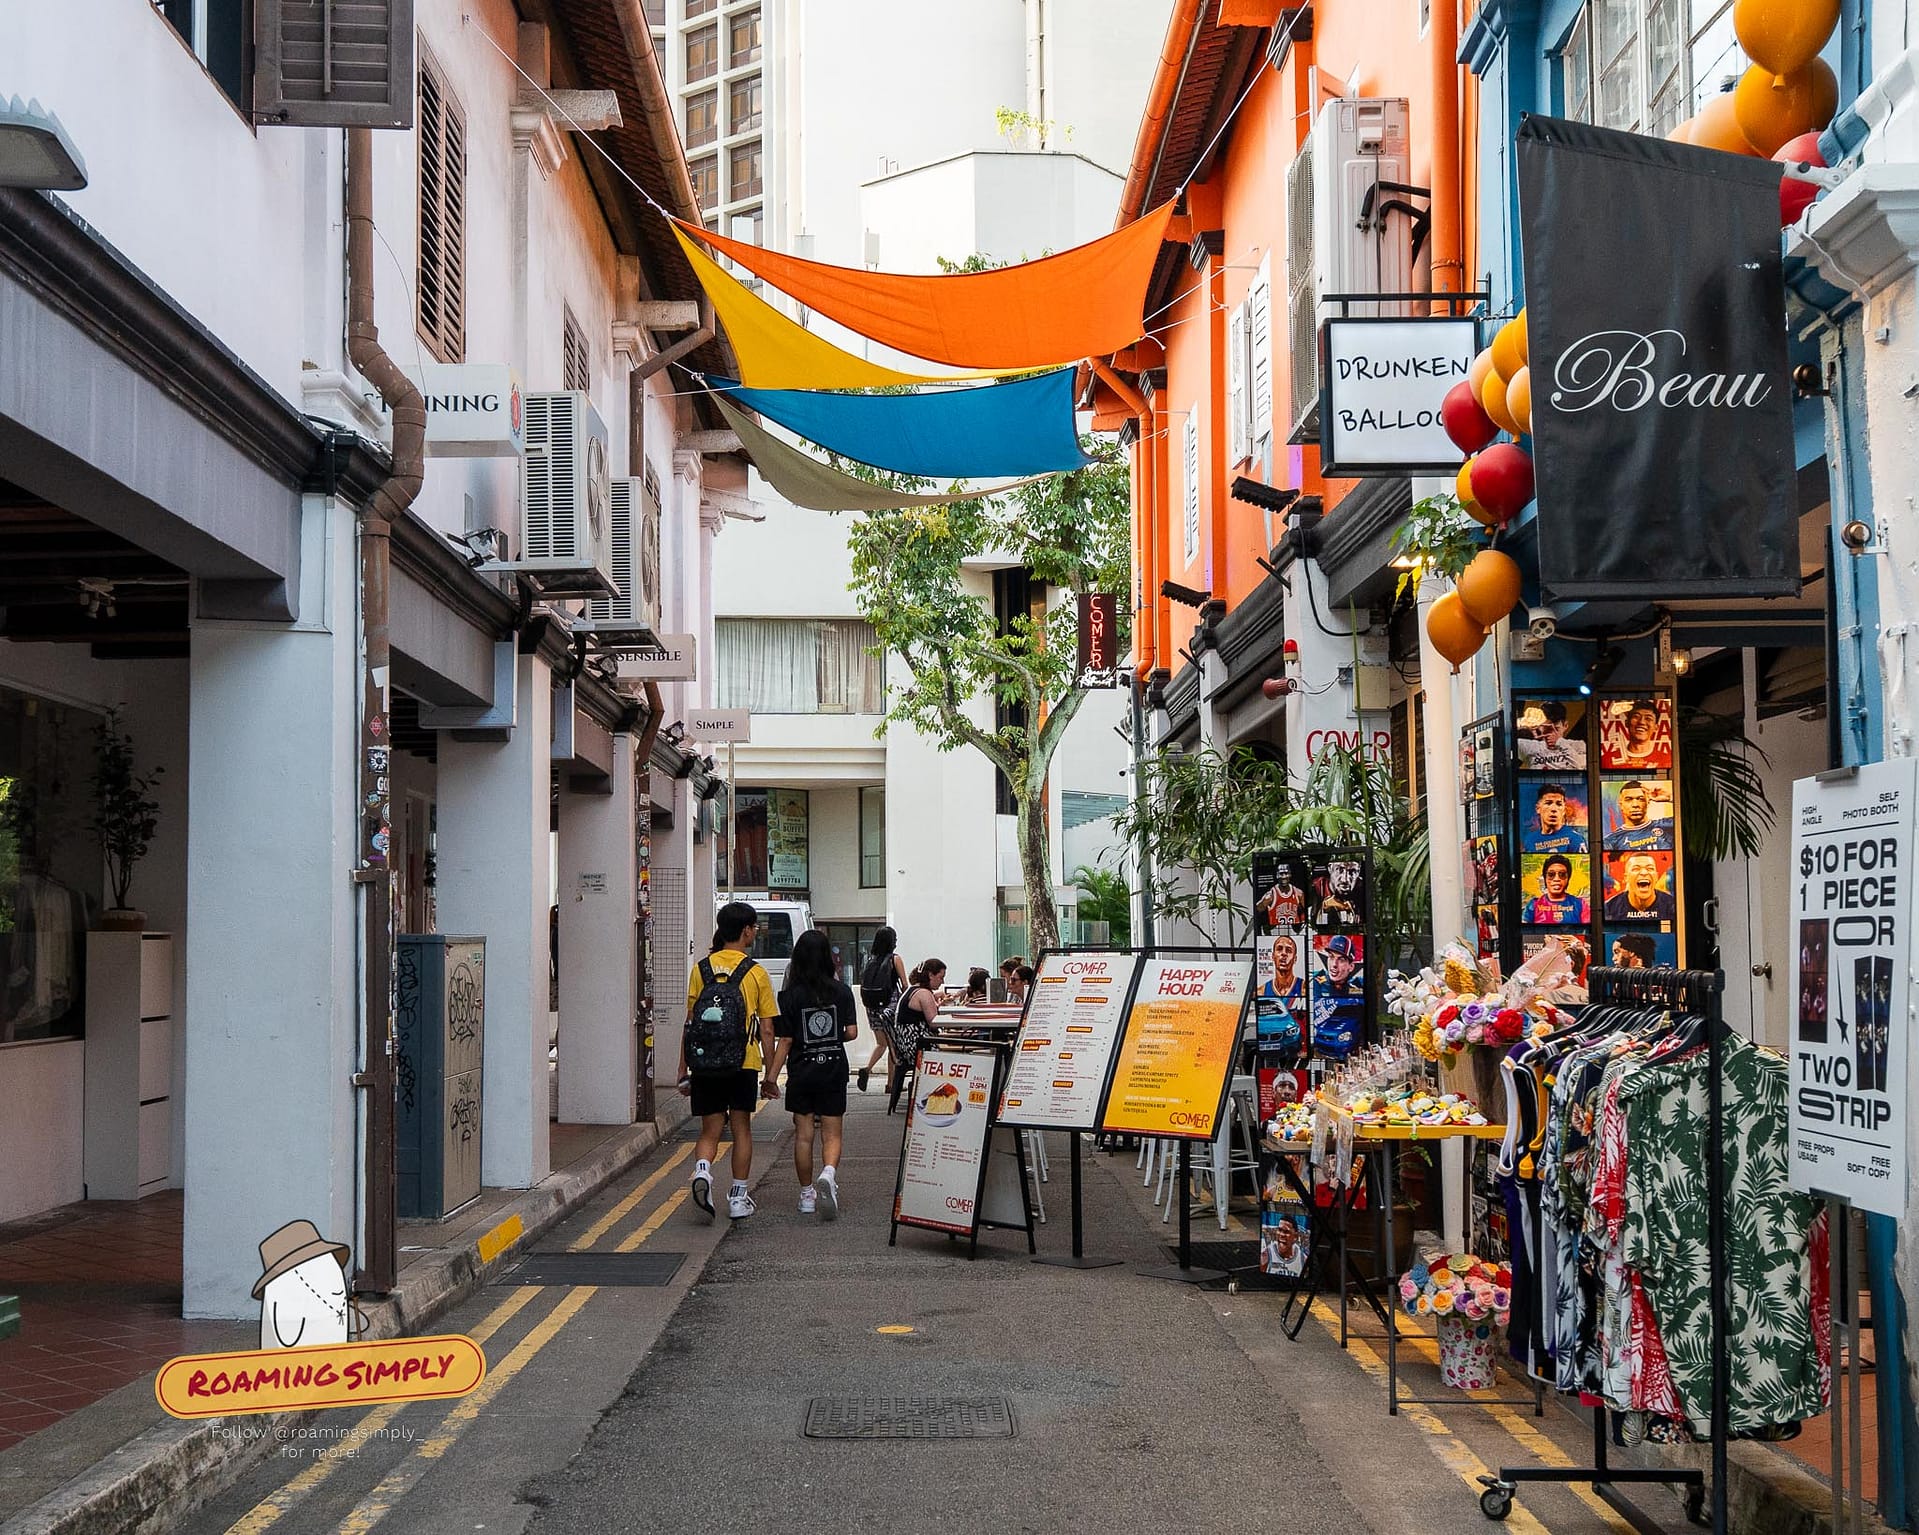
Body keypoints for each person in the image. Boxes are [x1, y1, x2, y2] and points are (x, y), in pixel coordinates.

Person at [682, 902, 780, 1221]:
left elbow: (691, 1021)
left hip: (705, 1062)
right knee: (741, 1129)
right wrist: (769, 1073)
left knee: (710, 1129)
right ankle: (738, 1198)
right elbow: (767, 1028)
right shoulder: (755, 972)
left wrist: (682, 1069)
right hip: (743, 1062)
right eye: (754, 928)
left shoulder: (701, 969)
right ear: (747, 930)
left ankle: (702, 1170)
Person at [764, 930, 857, 1219]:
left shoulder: (789, 996)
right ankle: (828, 1174)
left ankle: (806, 1195)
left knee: (804, 1135)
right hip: (833, 1070)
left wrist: (770, 1077)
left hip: (802, 1072)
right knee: (832, 1133)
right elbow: (852, 1033)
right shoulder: (842, 992)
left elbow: (786, 1040)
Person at [887, 961, 947, 1111]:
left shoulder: (913, 990)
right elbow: (934, 1022)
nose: (942, 981)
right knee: (956, 1053)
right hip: (918, 1047)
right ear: (930, 975)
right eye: (940, 977)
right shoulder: (924, 993)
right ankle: (940, 1097)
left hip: (905, 1047)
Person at [856, 927, 908, 1094]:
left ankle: (867, 1068)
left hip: (871, 1006)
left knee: (882, 1043)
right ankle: (891, 1085)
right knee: (893, 1044)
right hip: (890, 1006)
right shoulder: (895, 959)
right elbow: (905, 985)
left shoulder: (871, 960)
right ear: (891, 942)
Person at [1602, 852, 1676, 922]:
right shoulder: (1609, 908)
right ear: (1626, 878)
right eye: (1636, 869)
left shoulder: (1672, 905)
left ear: (1656, 877)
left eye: (1650, 868)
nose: (1644, 873)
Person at [1516, 700, 1587, 770]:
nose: (1551, 733)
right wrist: (1522, 724)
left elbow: (1580, 766)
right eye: (1547, 728)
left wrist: (1560, 742)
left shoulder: (1578, 745)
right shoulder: (1530, 747)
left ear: (1565, 725)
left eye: (1556, 728)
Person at [1603, 781, 1671, 852]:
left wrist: (1670, 797)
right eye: (1628, 800)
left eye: (1641, 799)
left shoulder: (1667, 826)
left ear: (1648, 802)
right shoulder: (1611, 841)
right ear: (1621, 805)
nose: (1635, 805)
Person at [1525, 854, 1589, 924]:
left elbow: (1587, 932)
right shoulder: (1533, 905)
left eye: (1562, 874)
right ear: (1545, 878)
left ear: (1568, 879)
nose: (1557, 879)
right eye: (1551, 874)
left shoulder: (1580, 904)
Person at [1523, 785, 1587, 854]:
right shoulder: (1530, 840)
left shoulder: (1575, 839)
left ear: (1564, 810)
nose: (1554, 809)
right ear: (1538, 808)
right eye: (1548, 803)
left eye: (1559, 804)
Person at [1258, 862, 1306, 932]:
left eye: (1286, 873)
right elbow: (1258, 910)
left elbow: (1304, 912)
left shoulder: (1299, 893)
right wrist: (1263, 903)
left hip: (1294, 930)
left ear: (1290, 874)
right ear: (1277, 875)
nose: (1284, 877)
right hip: (1276, 930)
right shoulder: (1271, 895)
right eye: (1281, 874)